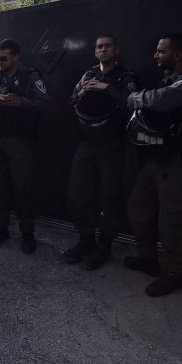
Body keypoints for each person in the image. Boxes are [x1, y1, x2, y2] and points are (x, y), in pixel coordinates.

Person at [124, 33, 182, 297]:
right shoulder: (168, 79)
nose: (156, 56)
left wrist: (136, 98)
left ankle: (174, 273)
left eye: (161, 51)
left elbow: (162, 100)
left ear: (177, 55)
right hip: (155, 159)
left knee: (171, 222)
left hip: (176, 162)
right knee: (138, 208)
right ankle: (148, 258)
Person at [63, 35, 138, 270]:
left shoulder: (126, 77)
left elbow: (134, 103)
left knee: (110, 197)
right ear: (95, 51)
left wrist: (109, 89)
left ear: (117, 49)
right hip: (86, 143)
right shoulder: (88, 75)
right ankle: (86, 241)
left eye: (107, 46)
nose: (103, 50)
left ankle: (104, 246)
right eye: (99, 47)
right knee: (77, 195)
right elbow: (71, 100)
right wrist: (82, 94)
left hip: (112, 146)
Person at [0, 38, 50, 254]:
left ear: (16, 57)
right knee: (0, 189)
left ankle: (27, 234)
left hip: (20, 143)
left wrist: (21, 103)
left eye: (3, 58)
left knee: (22, 190)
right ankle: (1, 230)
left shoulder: (30, 76)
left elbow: (45, 104)